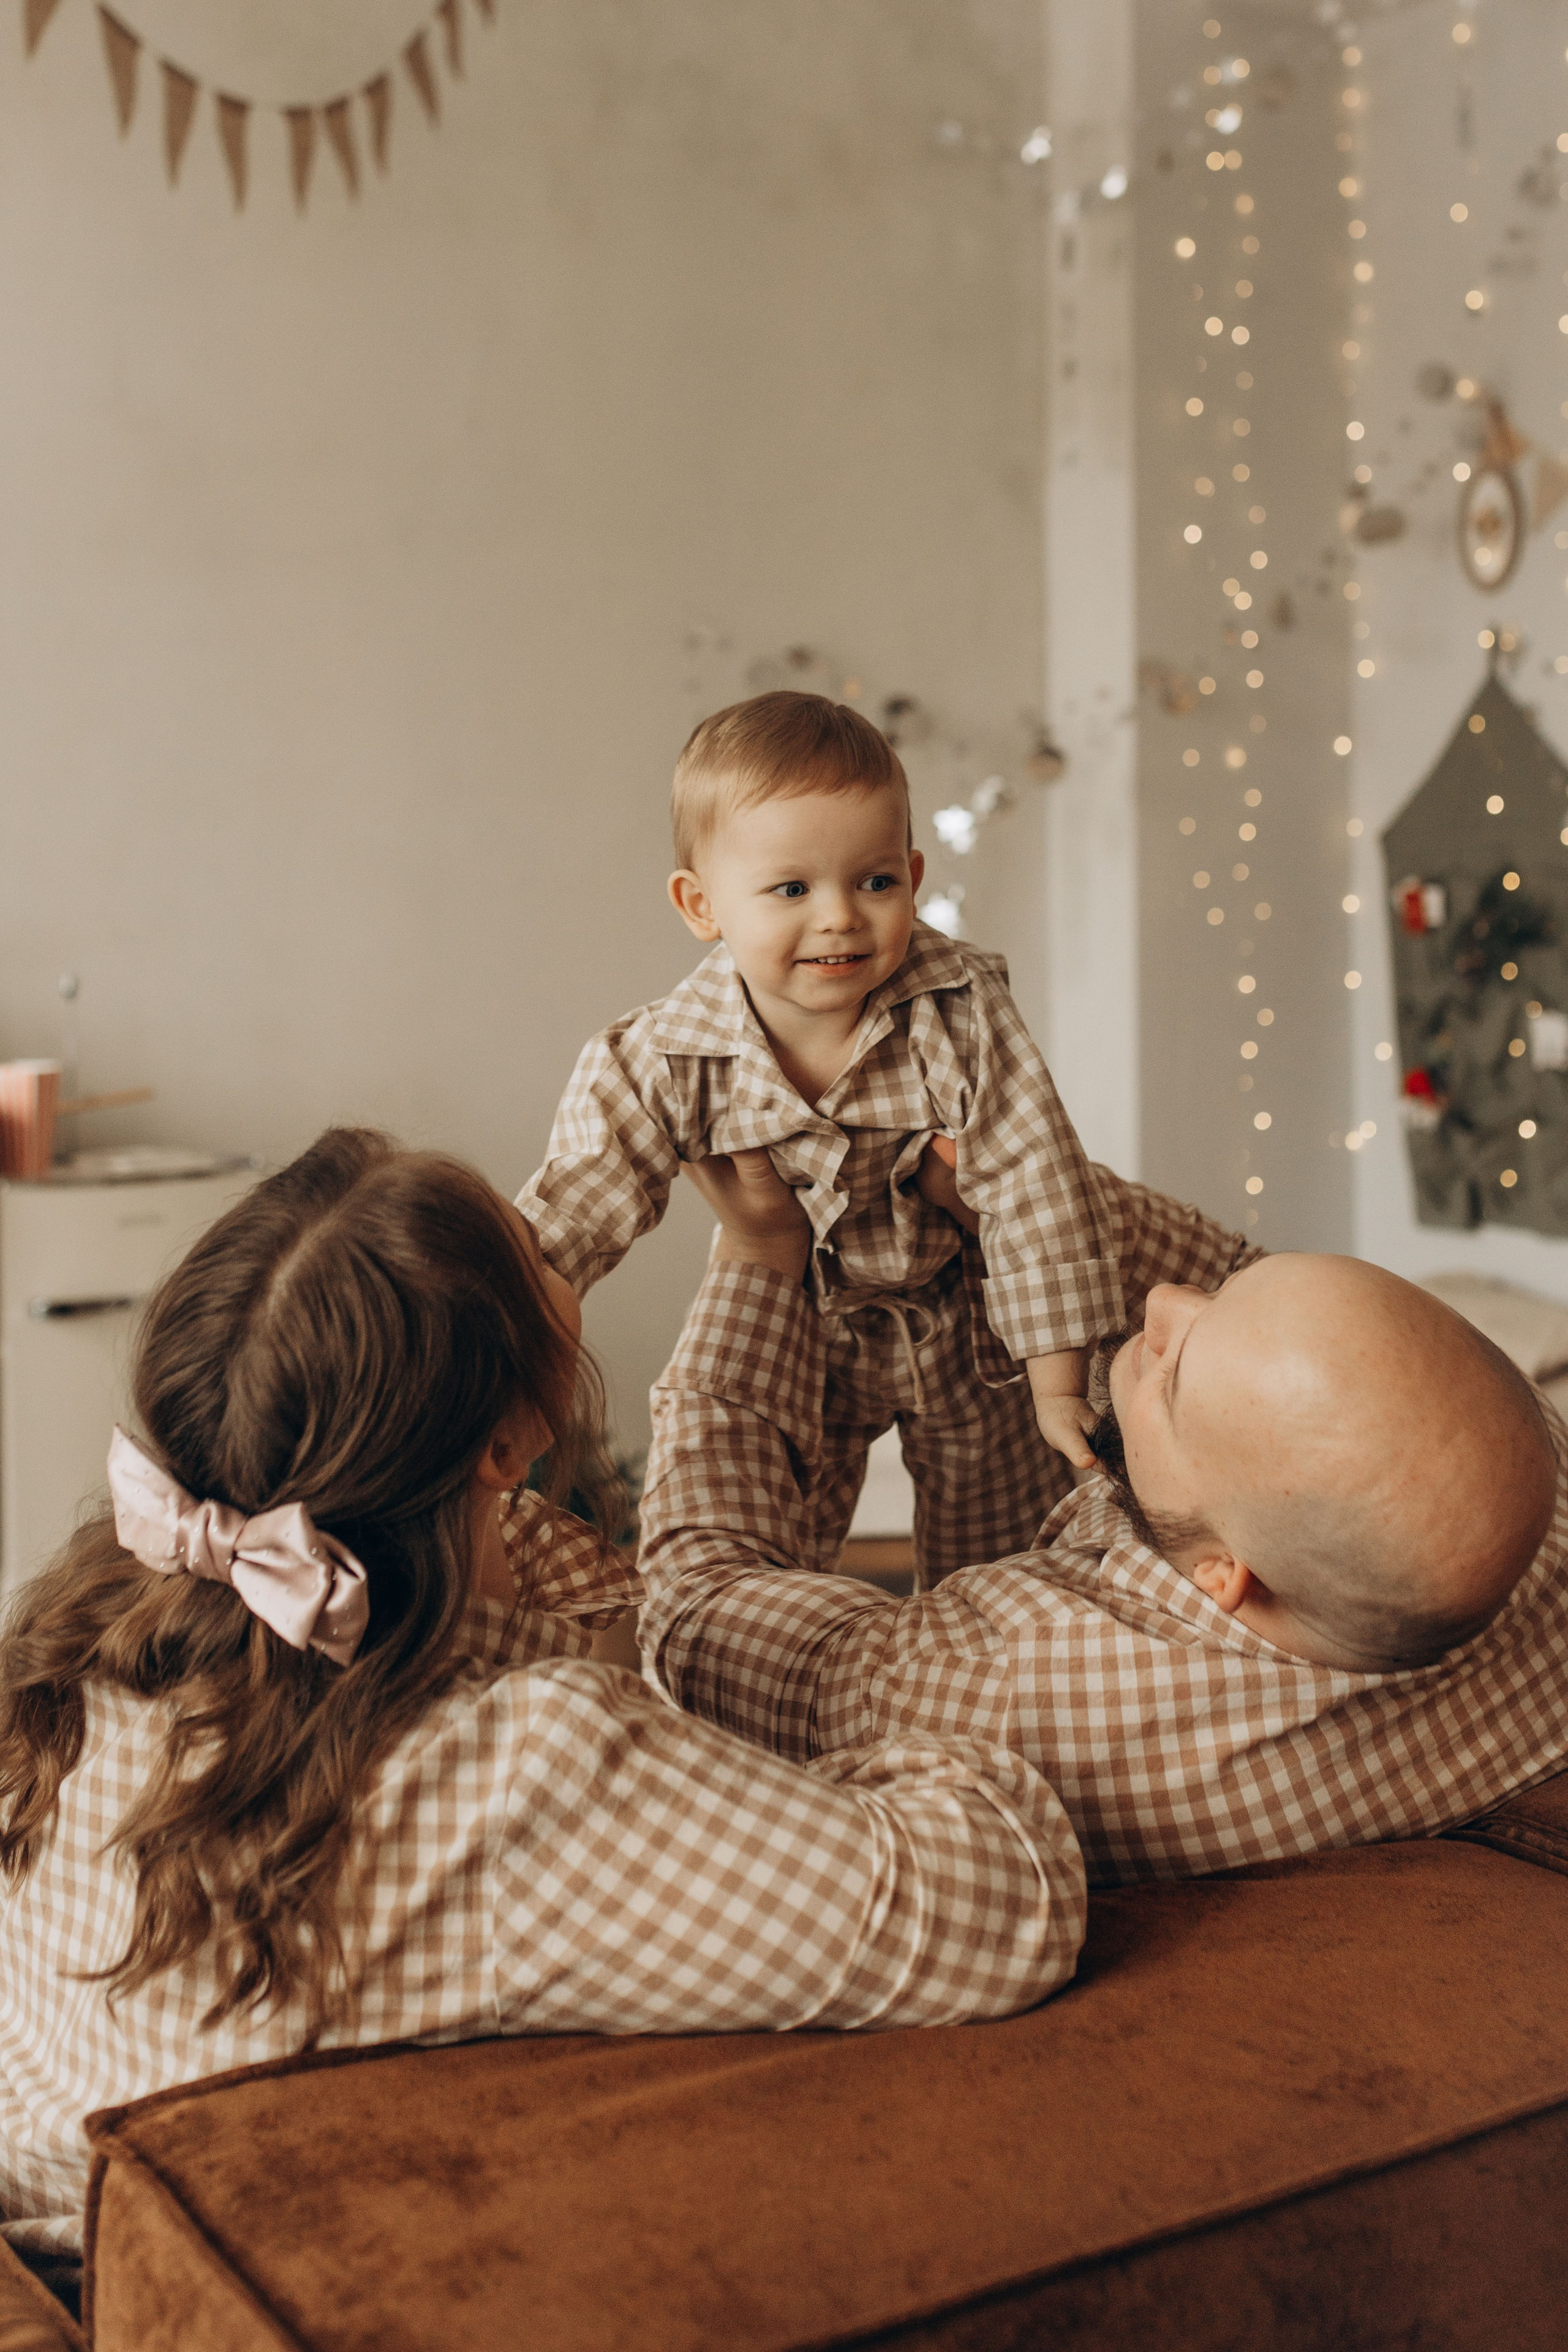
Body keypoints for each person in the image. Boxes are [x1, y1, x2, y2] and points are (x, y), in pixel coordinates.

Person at [0, 1131, 1085, 2296]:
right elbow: (997, 1903)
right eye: (537, 1262)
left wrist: (760, 1253)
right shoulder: (515, 1763)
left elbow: (564, 1599)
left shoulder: (80, 1641)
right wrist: (835, 1709)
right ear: (512, 1439)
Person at [637, 1143, 1568, 1887]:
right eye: (1223, 1303)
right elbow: (1237, 1281)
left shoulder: (1007, 1686)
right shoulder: (1518, 1478)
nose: (1162, 1302)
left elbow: (697, 1612)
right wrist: (1023, 1195)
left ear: (1225, 1576)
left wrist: (756, 1260)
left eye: (1172, 1377)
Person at [517, 689, 1123, 1588]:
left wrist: (1058, 1383)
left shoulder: (956, 1010)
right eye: (792, 889)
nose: (840, 916)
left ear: (913, 874)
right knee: (769, 1545)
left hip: (962, 1316)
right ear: (702, 904)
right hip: (801, 1322)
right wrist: (501, 1334)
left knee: (1001, 1555)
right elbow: (577, 1204)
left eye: (875, 882)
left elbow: (1035, 1182)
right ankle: (770, 1665)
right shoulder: (662, 1056)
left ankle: (980, 1666)